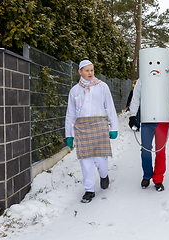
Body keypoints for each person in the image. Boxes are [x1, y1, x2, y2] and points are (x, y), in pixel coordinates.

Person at [128, 47, 169, 192]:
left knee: (160, 151)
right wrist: (132, 116)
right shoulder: (141, 81)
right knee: (145, 150)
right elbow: (135, 99)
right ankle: (147, 175)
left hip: (162, 120)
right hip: (146, 120)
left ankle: (158, 179)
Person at [65, 60, 119, 203]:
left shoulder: (102, 87)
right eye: (87, 70)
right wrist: (69, 134)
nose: (90, 73)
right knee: (85, 160)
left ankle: (104, 175)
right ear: (80, 72)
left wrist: (114, 127)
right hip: (81, 127)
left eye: (92, 70)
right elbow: (70, 113)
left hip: (100, 125)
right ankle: (89, 190)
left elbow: (110, 107)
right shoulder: (74, 90)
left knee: (101, 158)